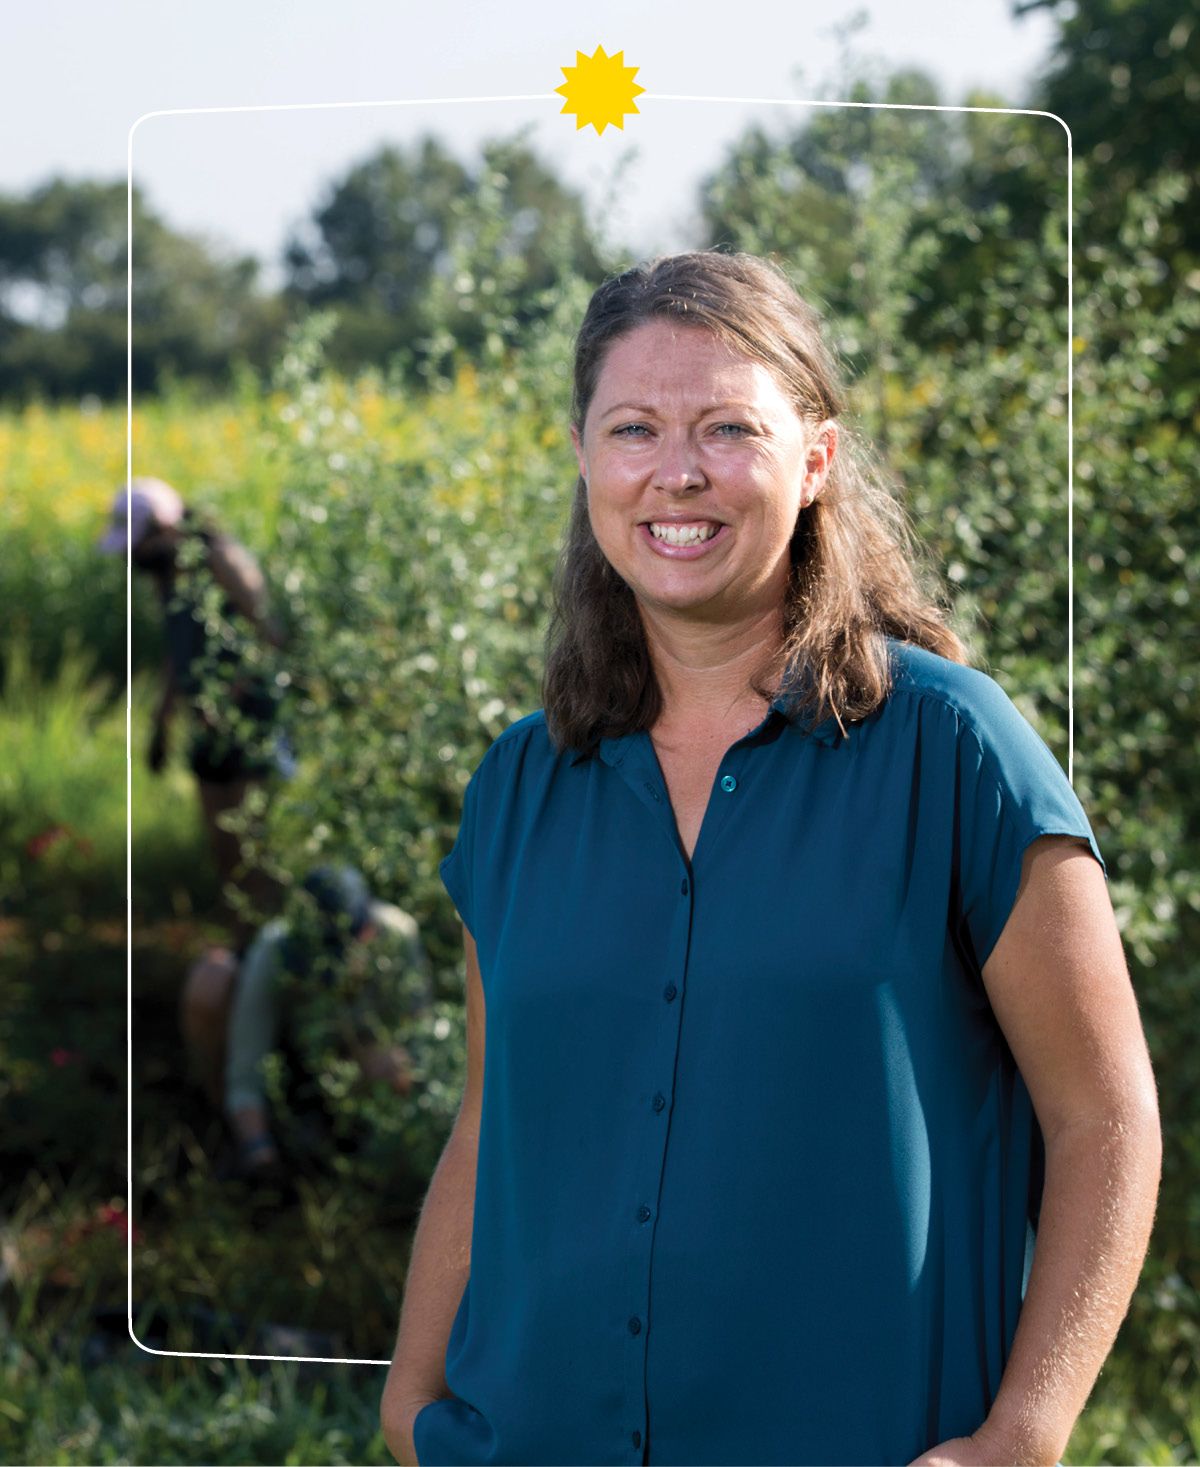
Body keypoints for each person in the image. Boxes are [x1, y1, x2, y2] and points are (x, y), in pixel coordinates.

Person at [379, 252, 1162, 1467]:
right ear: (585, 459)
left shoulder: (952, 752)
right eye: (632, 427)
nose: (676, 471)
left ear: (817, 463)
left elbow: (1105, 1117)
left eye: (729, 428)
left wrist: (1023, 1433)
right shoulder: (520, 787)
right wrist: (413, 1400)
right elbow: (495, 1119)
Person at [99, 477, 293, 947]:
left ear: (164, 527)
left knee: (254, 845)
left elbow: (271, 639)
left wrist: (227, 698)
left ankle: (271, 947)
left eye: (138, 545)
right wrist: (161, 722)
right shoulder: (170, 575)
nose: (133, 558)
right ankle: (241, 942)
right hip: (206, 730)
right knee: (223, 847)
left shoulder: (221, 559)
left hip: (251, 722)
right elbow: (178, 649)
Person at [181, 863, 432, 1181]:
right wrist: (259, 1151)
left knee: (389, 1063)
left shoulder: (399, 936)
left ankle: (376, 1166)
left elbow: (420, 1040)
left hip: (359, 1071)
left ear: (367, 935)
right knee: (210, 980)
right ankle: (226, 1134)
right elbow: (247, 1066)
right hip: (292, 1068)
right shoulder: (275, 947)